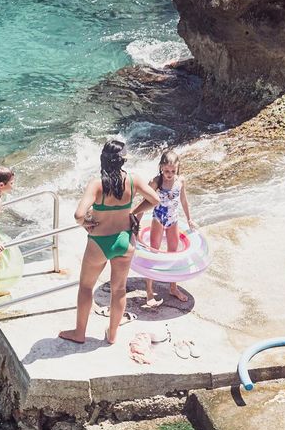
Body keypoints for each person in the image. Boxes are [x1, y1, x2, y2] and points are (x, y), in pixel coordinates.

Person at [58, 140, 160, 345]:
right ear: (123, 160)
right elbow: (155, 200)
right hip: (124, 240)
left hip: (99, 243)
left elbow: (78, 215)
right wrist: (134, 211)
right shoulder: (133, 180)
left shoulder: (97, 184)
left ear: (103, 159)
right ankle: (112, 335)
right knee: (119, 289)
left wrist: (86, 223)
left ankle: (80, 333)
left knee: (86, 287)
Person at [143, 149, 197, 309]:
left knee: (173, 254)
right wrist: (135, 221)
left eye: (173, 171)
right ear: (161, 167)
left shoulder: (180, 181)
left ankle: (173, 287)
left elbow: (184, 201)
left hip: (173, 220)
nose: (169, 174)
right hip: (158, 219)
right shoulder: (156, 181)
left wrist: (189, 219)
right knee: (154, 253)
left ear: (178, 168)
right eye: (166, 170)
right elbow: (144, 202)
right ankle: (149, 291)